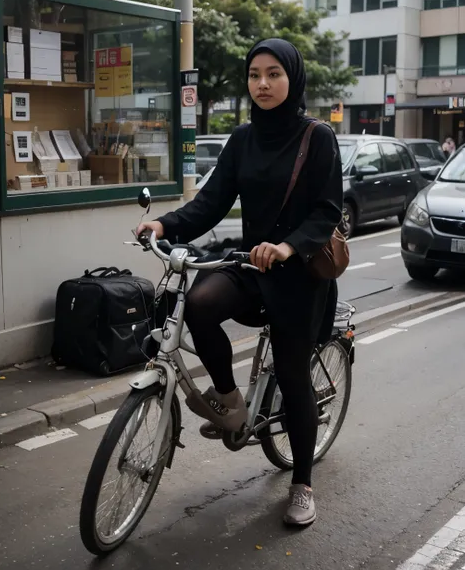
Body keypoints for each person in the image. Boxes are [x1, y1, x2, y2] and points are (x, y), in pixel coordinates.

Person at [137, 38, 343, 527]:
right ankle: (229, 403)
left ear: (292, 78)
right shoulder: (243, 139)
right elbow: (210, 203)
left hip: (298, 274)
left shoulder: (318, 138)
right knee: (201, 304)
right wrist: (164, 224)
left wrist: (289, 246)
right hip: (252, 264)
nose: (263, 84)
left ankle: (302, 483)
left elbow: (326, 212)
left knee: (293, 377)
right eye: (254, 75)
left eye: (274, 74)